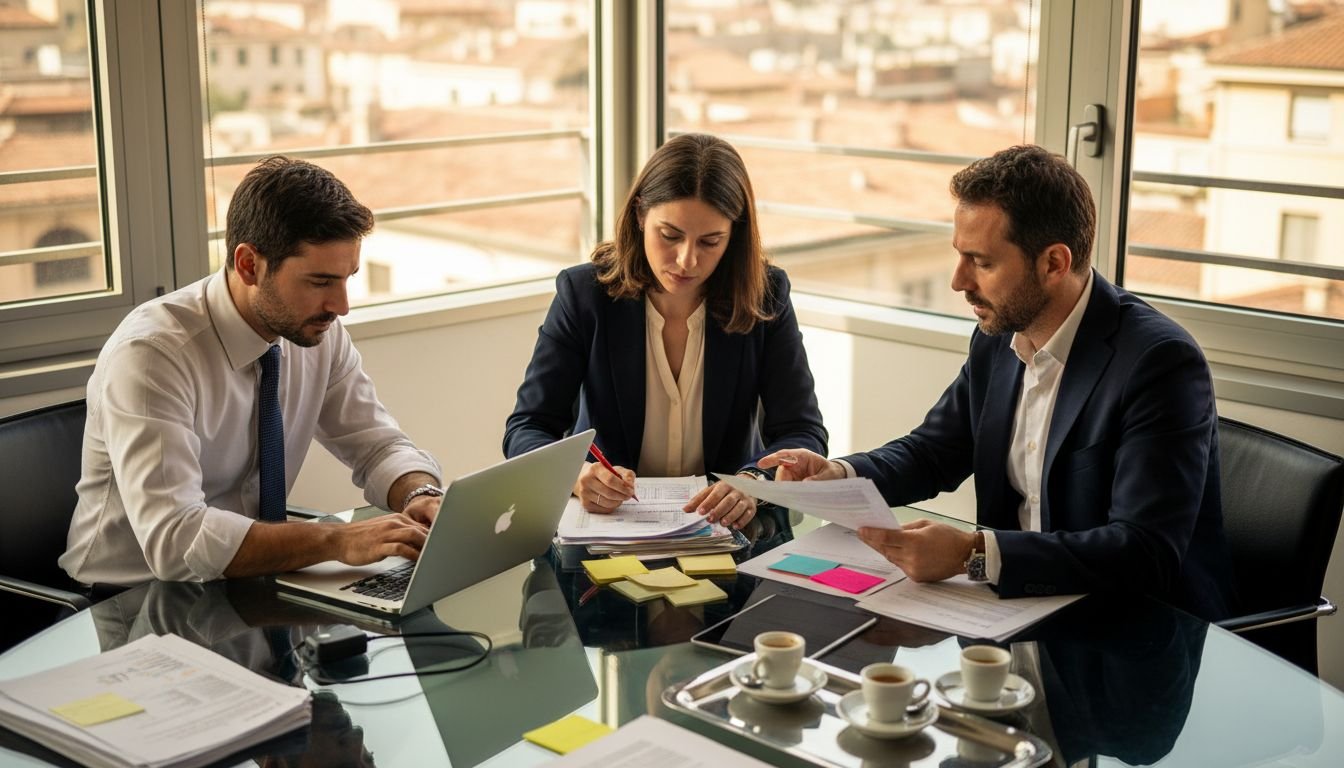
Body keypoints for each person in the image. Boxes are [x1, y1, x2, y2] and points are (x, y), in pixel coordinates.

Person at [760, 144, 1237, 621]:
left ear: (1054, 263)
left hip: (1129, 626)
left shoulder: (1159, 363)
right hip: (1010, 611)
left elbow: (1144, 550)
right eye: (959, 256)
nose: (958, 281)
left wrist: (974, 553)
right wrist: (838, 476)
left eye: (982, 262)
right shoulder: (998, 337)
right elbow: (933, 452)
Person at [61, 156, 444, 588]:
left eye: (347, 278)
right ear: (248, 265)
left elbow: (378, 446)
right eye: (320, 282)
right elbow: (176, 540)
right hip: (129, 599)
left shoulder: (316, 334)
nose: (341, 306)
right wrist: (338, 540)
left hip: (247, 583)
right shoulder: (153, 356)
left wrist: (420, 494)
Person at [504, 133, 827, 533]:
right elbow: (527, 428)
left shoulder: (766, 295)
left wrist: (752, 482)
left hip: (727, 534)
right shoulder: (585, 295)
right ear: (640, 214)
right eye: (670, 235)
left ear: (734, 235)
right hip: (609, 532)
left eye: (710, 242)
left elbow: (803, 432)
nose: (687, 260)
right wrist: (575, 476)